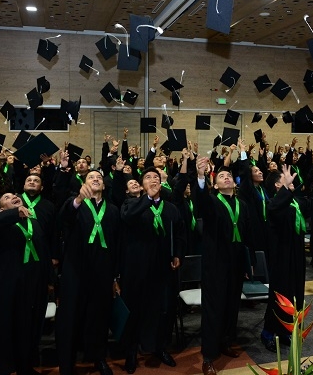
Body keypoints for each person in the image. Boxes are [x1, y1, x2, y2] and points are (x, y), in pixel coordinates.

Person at [120, 167, 186, 374]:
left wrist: (177, 254)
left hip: (163, 267)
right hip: (137, 267)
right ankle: (131, 350)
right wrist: (147, 198)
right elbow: (128, 218)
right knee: (136, 309)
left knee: (164, 309)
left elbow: (180, 232)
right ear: (141, 185)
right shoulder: (132, 204)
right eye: (148, 177)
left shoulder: (170, 207)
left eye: (156, 177)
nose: (153, 180)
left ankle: (160, 347)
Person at [0, 191, 51, 375]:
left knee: (26, 327)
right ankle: (1, 368)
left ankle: (24, 366)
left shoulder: (33, 222)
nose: (14, 197)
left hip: (31, 282)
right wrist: (12, 214)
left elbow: (43, 251)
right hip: (7, 284)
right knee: (4, 327)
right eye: (7, 197)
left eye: (15, 195)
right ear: (1, 208)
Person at [194, 153, 255, 375]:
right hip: (216, 264)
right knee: (213, 309)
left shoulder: (243, 204)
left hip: (237, 263)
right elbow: (199, 203)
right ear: (215, 183)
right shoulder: (211, 201)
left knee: (231, 305)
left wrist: (250, 264)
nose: (226, 177)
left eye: (228, 175)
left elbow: (248, 236)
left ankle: (226, 342)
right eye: (221, 176)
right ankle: (208, 355)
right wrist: (200, 177)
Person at [261, 163, 313, 351]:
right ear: (278, 186)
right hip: (280, 255)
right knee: (279, 295)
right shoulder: (274, 203)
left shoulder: (295, 202)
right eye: (286, 179)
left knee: (294, 294)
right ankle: (268, 332)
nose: (292, 180)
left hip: (297, 254)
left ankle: (285, 329)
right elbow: (275, 209)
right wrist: (286, 188)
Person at [56, 168, 120, 375]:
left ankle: (98, 357)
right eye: (90, 177)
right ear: (83, 183)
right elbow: (63, 220)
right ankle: (68, 361)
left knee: (99, 316)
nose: (95, 179)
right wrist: (77, 200)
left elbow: (117, 243)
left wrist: (115, 275)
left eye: (99, 178)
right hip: (75, 268)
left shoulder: (112, 210)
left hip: (102, 269)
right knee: (71, 315)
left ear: (104, 185)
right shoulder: (75, 204)